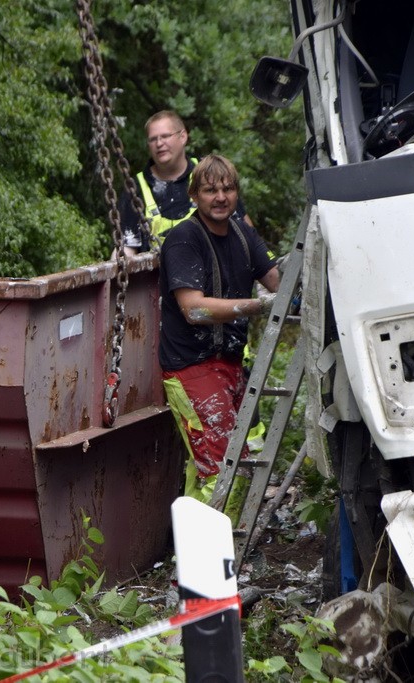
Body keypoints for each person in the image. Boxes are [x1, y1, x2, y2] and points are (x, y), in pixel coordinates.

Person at [158, 155, 279, 509]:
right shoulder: (184, 240)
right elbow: (194, 309)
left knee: (217, 463)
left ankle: (193, 555)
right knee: (223, 468)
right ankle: (220, 555)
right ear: (195, 196)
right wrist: (259, 305)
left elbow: (276, 279)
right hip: (191, 367)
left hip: (229, 363)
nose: (221, 197)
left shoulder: (243, 232)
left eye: (227, 189)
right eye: (211, 190)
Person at [120, 110, 251, 256]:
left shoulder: (209, 172)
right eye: (153, 139)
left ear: (183, 137)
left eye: (165, 136)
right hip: (157, 277)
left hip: (215, 271)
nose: (159, 143)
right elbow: (127, 247)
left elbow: (244, 229)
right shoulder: (135, 188)